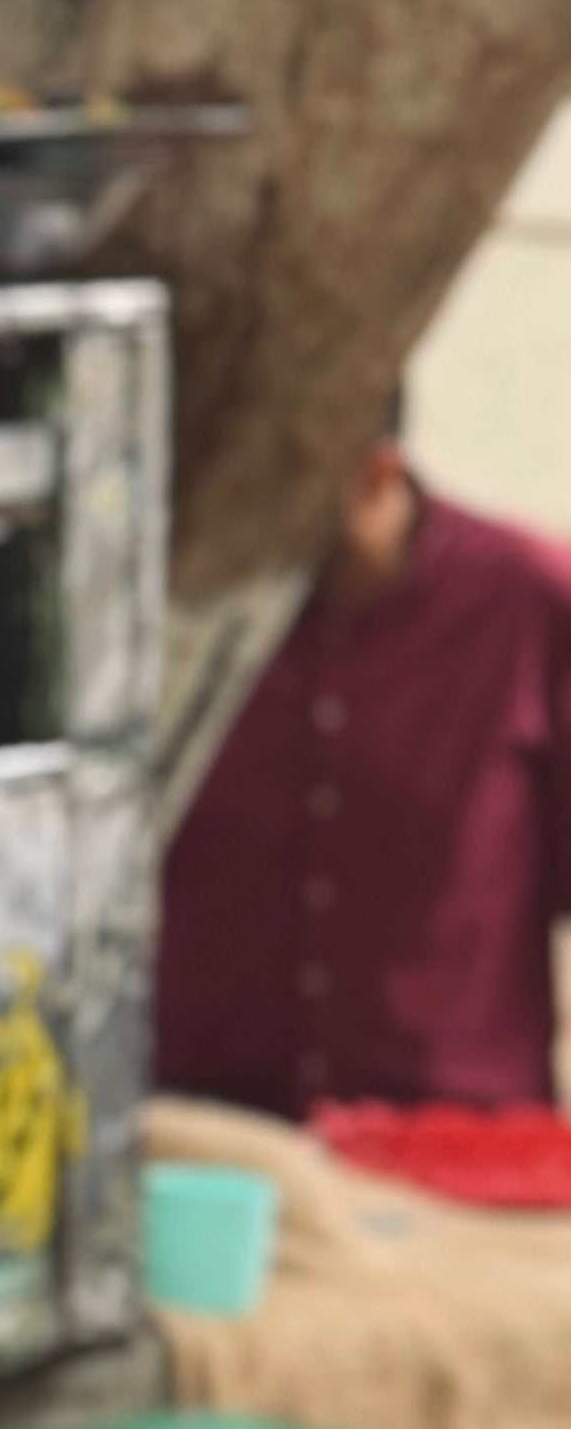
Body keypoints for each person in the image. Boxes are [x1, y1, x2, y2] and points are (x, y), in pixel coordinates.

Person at [159, 415, 571, 1116]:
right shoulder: (184, 602)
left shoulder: (529, 602)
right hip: (215, 1131)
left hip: (458, 1135)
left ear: (374, 479)